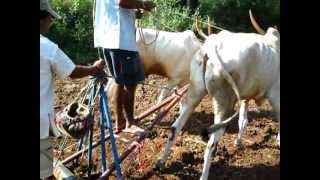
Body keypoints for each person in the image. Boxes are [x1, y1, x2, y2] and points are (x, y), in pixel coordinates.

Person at [40, 0, 105, 179]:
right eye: (49, 19)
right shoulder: (46, 47)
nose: (50, 23)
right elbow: (72, 71)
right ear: (42, 19)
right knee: (43, 173)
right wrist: (94, 68)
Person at [93, 0, 156, 134]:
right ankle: (130, 123)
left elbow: (119, 8)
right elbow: (123, 1)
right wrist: (144, 4)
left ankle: (120, 121)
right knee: (130, 83)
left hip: (109, 40)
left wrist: (136, 11)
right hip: (121, 40)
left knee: (119, 81)